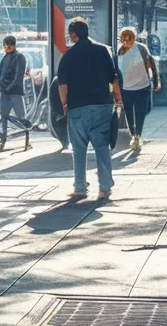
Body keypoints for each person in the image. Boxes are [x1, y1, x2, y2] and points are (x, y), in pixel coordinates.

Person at [55, 18, 120, 202]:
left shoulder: (68, 56)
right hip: (102, 105)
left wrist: (65, 104)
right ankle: (105, 187)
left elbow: (62, 85)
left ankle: (80, 187)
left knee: (79, 148)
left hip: (78, 107)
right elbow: (113, 78)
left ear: (73, 35)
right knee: (102, 147)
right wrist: (118, 100)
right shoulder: (102, 51)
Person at [115, 27, 158, 155]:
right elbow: (152, 65)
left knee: (135, 112)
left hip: (135, 86)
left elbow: (151, 65)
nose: (127, 40)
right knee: (136, 112)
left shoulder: (140, 49)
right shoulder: (123, 50)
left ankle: (135, 135)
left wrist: (155, 81)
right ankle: (136, 135)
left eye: (129, 37)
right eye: (125, 38)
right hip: (133, 87)